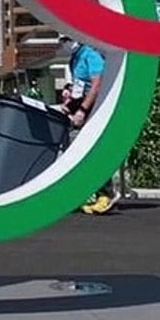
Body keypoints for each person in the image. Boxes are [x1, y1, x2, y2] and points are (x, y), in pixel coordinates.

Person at [63, 41, 113, 214]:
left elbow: (97, 84)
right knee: (78, 151)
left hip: (95, 108)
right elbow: (80, 85)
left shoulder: (91, 55)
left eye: (65, 40)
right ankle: (85, 194)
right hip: (82, 106)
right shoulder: (75, 58)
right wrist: (69, 96)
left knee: (94, 150)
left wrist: (82, 111)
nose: (63, 44)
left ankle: (105, 194)